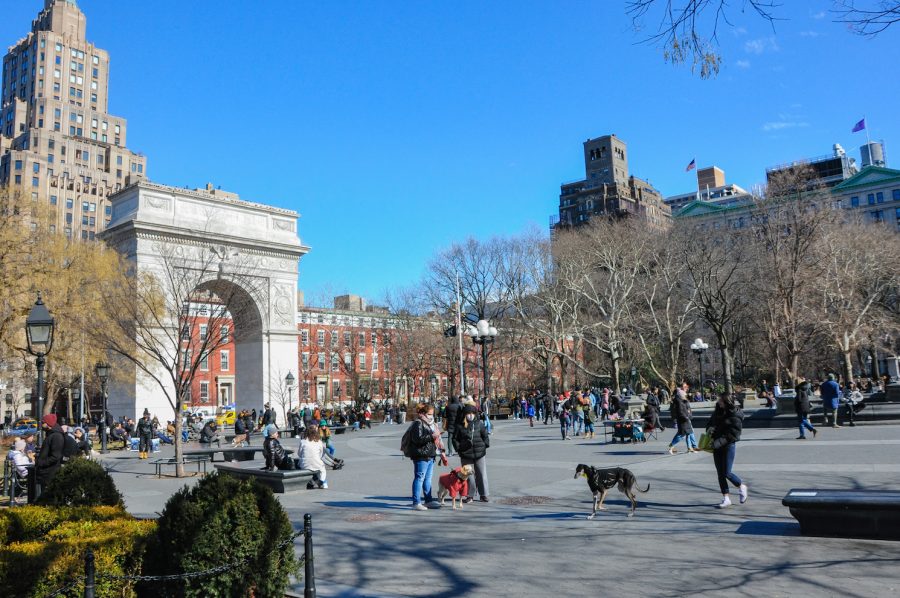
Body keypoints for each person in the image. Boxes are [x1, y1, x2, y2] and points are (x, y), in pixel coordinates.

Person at [706, 392, 748, 508]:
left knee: (727, 473)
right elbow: (709, 423)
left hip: (728, 446)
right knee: (720, 474)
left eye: (720, 400)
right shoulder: (717, 412)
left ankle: (741, 486)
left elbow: (734, 435)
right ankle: (726, 498)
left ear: (726, 402)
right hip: (716, 445)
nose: (718, 402)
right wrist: (710, 429)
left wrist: (717, 443)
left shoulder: (735, 415)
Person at [406, 403, 443, 511]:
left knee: (428, 479)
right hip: (421, 455)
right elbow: (417, 439)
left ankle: (428, 500)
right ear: (423, 413)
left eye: (432, 414)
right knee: (419, 478)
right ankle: (416, 502)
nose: (431, 416)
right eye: (429, 414)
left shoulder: (431, 423)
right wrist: (431, 436)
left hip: (430, 454)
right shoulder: (418, 423)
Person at [454, 404, 490, 503]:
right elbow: (455, 439)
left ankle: (484, 494)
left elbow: (485, 435)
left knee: (482, 474)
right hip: (466, 454)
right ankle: (469, 495)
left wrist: (485, 445)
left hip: (479, 452)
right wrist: (458, 448)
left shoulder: (479, 423)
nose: (470, 415)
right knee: (468, 476)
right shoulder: (460, 425)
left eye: (472, 413)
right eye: (468, 413)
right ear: (464, 414)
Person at [36, 414, 66, 494]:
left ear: (48, 423)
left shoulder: (56, 436)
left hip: (50, 472)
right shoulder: (50, 434)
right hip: (46, 471)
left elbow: (56, 456)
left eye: (43, 422)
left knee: (48, 495)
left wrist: (42, 462)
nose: (41, 424)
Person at [667, 389, 698, 454]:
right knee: (681, 435)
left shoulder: (682, 401)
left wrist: (688, 415)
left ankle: (690, 448)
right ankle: (671, 445)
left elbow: (687, 410)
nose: (685, 395)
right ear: (681, 395)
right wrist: (686, 417)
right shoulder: (679, 402)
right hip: (683, 421)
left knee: (688, 433)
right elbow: (680, 412)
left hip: (685, 420)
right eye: (683, 394)